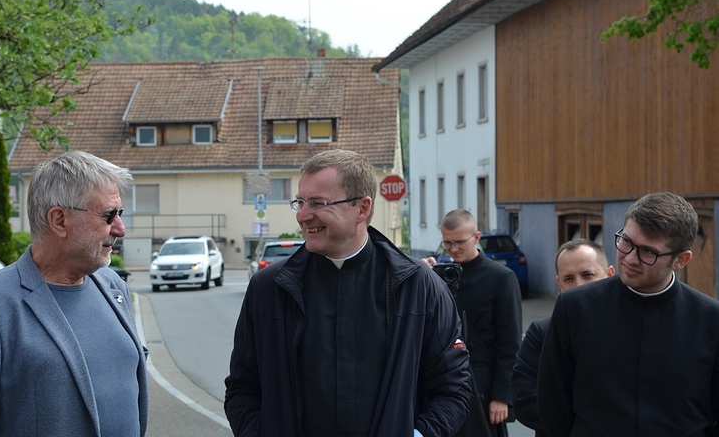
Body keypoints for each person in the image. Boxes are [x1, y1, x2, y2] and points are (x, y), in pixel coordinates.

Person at [225, 149, 472, 436]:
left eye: (318, 203)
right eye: (300, 202)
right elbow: (242, 390)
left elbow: (453, 390)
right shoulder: (268, 289)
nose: (303, 216)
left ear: (362, 208)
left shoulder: (419, 287)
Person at [0, 151, 148, 436]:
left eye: (120, 214)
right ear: (60, 220)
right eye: (109, 215)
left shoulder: (115, 287)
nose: (121, 229)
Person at [538, 192, 719, 437]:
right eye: (626, 241)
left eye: (647, 252)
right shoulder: (575, 308)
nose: (630, 258)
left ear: (681, 260)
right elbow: (552, 408)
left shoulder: (710, 320)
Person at [424, 209, 522, 437]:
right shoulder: (434, 276)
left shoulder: (501, 278)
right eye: (447, 243)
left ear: (476, 238)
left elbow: (510, 343)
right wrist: (419, 274)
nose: (453, 249)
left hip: (482, 381)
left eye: (459, 242)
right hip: (442, 378)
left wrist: (501, 396)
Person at [511, 239, 614, 436]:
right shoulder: (541, 333)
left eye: (587, 275)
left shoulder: (630, 327)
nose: (578, 285)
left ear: (609, 275)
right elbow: (524, 399)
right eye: (569, 279)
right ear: (559, 284)